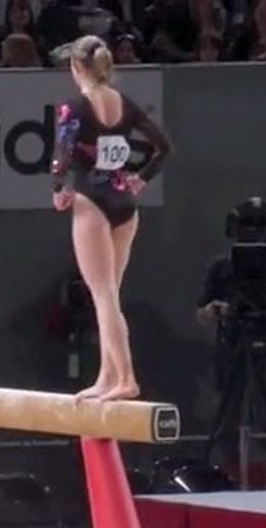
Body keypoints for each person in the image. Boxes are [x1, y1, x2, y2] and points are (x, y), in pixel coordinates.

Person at [50, 34, 173, 402]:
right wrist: (142, 177)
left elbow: (61, 154)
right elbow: (164, 147)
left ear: (76, 67)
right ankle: (107, 376)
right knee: (109, 298)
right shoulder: (124, 103)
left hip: (92, 201)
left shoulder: (74, 106)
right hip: (123, 202)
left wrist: (58, 187)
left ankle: (126, 378)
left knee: (102, 295)